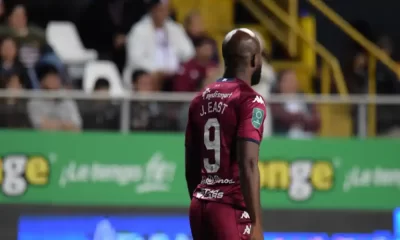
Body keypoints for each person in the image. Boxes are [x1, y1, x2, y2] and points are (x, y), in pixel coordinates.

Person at [185, 28, 265, 240]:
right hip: (230, 209)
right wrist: (256, 222)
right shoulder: (250, 100)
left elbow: (191, 166)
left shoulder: (200, 98)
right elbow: (248, 163)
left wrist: (204, 201)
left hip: (200, 205)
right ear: (254, 59)